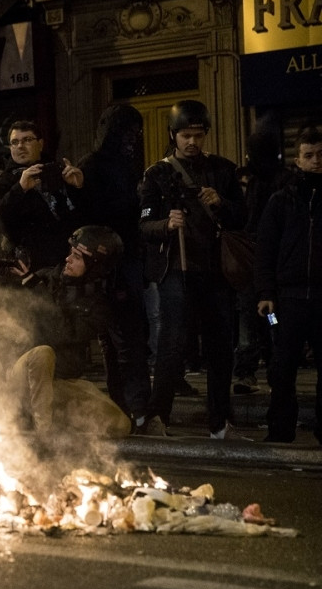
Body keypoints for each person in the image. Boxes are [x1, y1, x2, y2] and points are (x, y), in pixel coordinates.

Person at [138, 100, 246, 438]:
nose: (192, 142)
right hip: (176, 269)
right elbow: (142, 224)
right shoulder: (157, 174)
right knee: (172, 344)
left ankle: (220, 421)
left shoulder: (224, 170)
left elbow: (243, 218)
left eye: (198, 135)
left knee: (219, 347)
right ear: (174, 134)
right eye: (186, 135)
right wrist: (166, 224)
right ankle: (158, 417)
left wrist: (223, 204)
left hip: (216, 270)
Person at [8, 226, 133, 440]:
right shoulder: (45, 278)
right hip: (22, 377)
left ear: (94, 266)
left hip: (59, 383)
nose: (68, 259)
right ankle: (43, 438)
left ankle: (55, 420)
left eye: (76, 257)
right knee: (42, 353)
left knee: (121, 423)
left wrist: (36, 289)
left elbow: (62, 332)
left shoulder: (98, 307)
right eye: (70, 253)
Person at [77, 104, 151, 427]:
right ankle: (132, 408)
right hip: (108, 263)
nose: (133, 138)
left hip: (125, 260)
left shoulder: (124, 163)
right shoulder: (93, 166)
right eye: (128, 131)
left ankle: (126, 407)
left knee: (122, 339)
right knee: (121, 338)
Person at [255, 126, 322, 445]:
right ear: (298, 159)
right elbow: (265, 247)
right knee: (282, 369)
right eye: (309, 155)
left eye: (320, 155)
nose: (316, 161)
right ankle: (280, 429)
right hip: (286, 301)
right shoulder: (281, 199)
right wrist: (266, 294)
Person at [0, 121, 86, 271]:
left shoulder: (57, 171)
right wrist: (20, 189)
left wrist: (79, 187)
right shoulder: (4, 183)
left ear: (40, 144)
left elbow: (81, 215)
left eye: (27, 140)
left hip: (68, 262)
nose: (20, 146)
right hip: (31, 269)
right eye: (15, 142)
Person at [233, 131, 288, 395]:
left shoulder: (270, 183)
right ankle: (260, 368)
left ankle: (255, 369)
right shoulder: (269, 181)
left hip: (260, 265)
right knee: (264, 319)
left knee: (261, 318)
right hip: (262, 265)